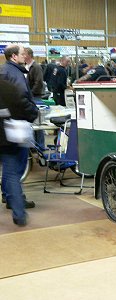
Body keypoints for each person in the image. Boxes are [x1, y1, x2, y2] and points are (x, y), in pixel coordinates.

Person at [0, 44, 39, 220]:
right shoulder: (13, 75)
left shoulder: (7, 72)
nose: (26, 56)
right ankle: (18, 210)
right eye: (23, 54)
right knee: (14, 170)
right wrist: (33, 113)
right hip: (12, 130)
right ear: (14, 56)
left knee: (9, 171)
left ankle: (9, 197)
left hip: (5, 129)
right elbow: (21, 101)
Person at [25, 47, 45, 150]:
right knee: (32, 123)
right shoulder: (27, 66)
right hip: (30, 98)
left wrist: (30, 94)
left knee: (38, 124)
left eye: (24, 54)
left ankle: (40, 146)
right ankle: (34, 145)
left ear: (29, 55)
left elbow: (39, 83)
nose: (23, 55)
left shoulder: (36, 67)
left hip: (35, 97)